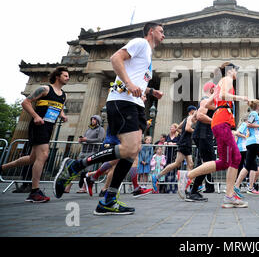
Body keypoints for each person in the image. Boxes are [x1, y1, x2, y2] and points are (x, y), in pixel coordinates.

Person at [54, 22, 165, 215]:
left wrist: (150, 91)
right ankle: (76, 165)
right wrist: (129, 84)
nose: (164, 35)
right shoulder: (140, 42)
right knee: (129, 148)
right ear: (151, 31)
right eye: (161, 31)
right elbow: (115, 58)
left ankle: (109, 200)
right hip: (122, 102)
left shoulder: (147, 54)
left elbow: (135, 79)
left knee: (133, 151)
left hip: (136, 104)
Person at [177, 62, 249, 208]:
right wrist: (242, 98)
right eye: (236, 70)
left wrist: (217, 107)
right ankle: (229, 196)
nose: (236, 73)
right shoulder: (227, 79)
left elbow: (205, 104)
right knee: (236, 157)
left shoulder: (217, 86)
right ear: (230, 70)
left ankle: (188, 176)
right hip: (222, 120)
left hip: (218, 122)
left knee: (224, 162)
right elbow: (222, 95)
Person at [0, 66, 69, 203]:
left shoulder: (64, 95)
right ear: (57, 76)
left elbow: (58, 107)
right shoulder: (45, 89)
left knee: (32, 158)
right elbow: (25, 102)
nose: (68, 77)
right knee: (43, 155)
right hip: (38, 125)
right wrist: (36, 116)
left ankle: (2, 168)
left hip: (49, 126)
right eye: (65, 75)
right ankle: (34, 191)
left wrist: (62, 115)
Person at [186, 82, 217, 202]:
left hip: (204, 134)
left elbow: (195, 117)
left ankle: (193, 190)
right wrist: (215, 121)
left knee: (206, 162)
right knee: (209, 163)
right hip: (203, 134)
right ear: (211, 89)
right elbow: (199, 116)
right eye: (215, 89)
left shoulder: (206, 102)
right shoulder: (205, 100)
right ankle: (189, 182)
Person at [156, 106, 197, 190]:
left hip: (186, 143)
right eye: (195, 112)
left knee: (190, 164)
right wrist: (195, 131)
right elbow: (188, 128)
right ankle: (158, 176)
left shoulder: (186, 118)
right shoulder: (189, 117)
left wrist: (184, 134)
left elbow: (178, 128)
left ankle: (189, 184)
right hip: (184, 143)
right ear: (192, 112)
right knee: (177, 163)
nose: (196, 114)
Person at [66, 115, 105, 194]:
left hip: (92, 151)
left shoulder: (101, 129)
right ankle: (67, 187)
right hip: (83, 151)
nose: (93, 120)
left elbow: (100, 139)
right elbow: (85, 138)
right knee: (76, 168)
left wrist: (86, 139)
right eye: (92, 119)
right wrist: (81, 140)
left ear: (98, 121)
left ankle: (84, 188)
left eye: (95, 119)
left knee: (88, 170)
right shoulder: (88, 129)